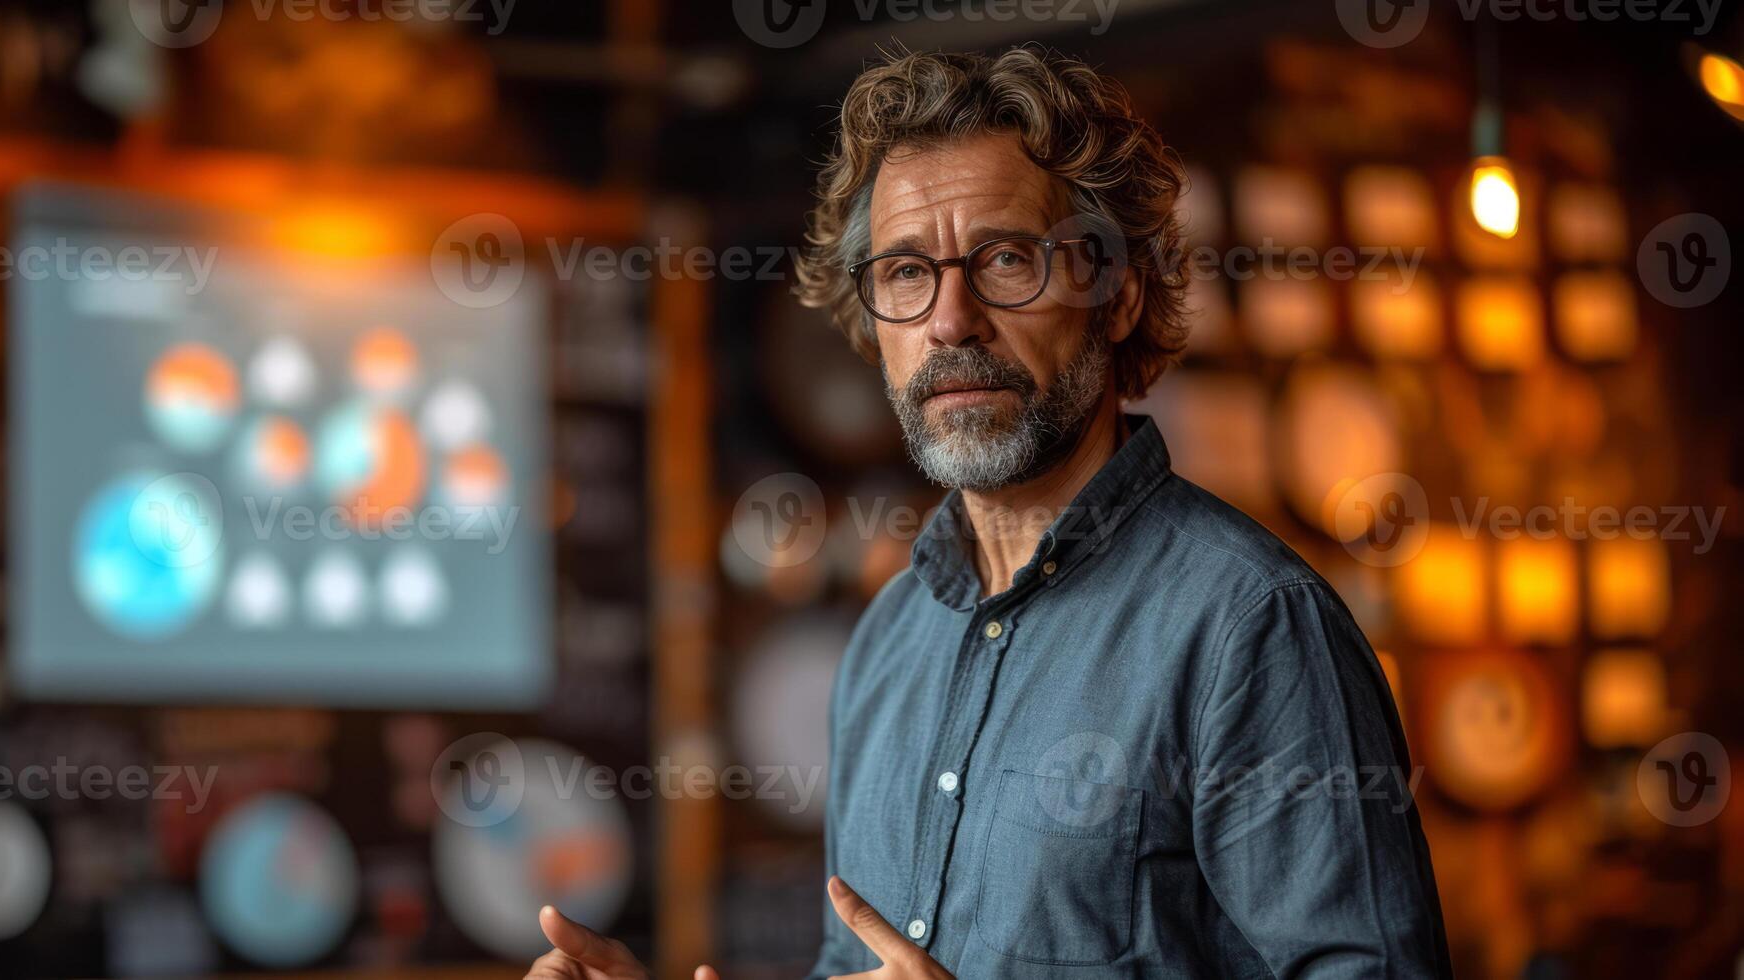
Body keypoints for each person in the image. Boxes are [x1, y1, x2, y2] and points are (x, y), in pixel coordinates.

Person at [521, 46, 1452, 979]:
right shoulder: (888, 639)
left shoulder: (1250, 629)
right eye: (904, 273)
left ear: (1119, 293)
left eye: (1006, 259)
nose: (950, 319)